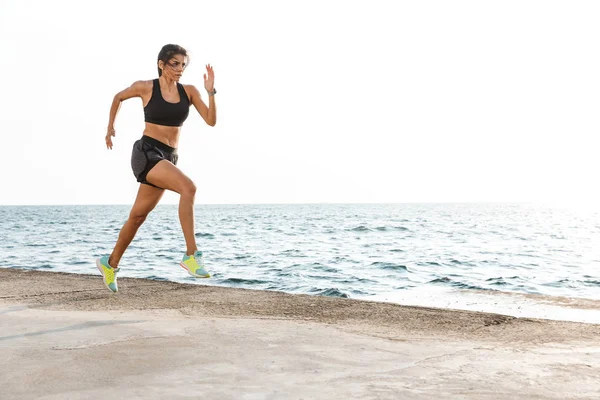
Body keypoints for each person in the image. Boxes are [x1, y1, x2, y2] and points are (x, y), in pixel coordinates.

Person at [96, 44, 217, 293]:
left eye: (183, 64)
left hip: (169, 158)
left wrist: (211, 92)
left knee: (138, 217)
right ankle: (191, 255)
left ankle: (110, 263)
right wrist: (110, 127)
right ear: (161, 63)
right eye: (174, 63)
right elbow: (118, 97)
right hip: (147, 153)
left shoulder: (190, 92)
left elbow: (211, 121)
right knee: (189, 188)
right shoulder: (146, 87)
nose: (179, 69)